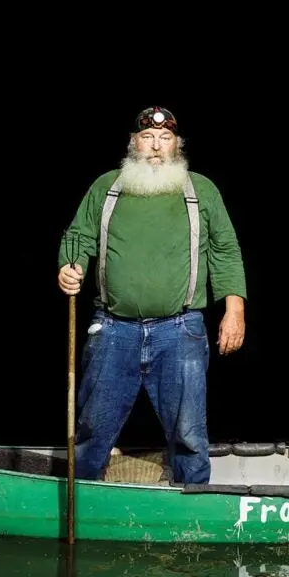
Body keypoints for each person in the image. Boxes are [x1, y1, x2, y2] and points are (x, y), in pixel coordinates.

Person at [57, 106, 247, 484]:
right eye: (147, 138)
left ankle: (192, 507)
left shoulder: (201, 190)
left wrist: (234, 309)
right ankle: (85, 496)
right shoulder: (107, 186)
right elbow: (78, 235)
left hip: (180, 331)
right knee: (94, 427)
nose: (156, 147)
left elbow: (225, 249)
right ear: (133, 143)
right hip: (112, 329)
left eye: (165, 139)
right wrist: (69, 266)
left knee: (189, 434)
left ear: (177, 145)